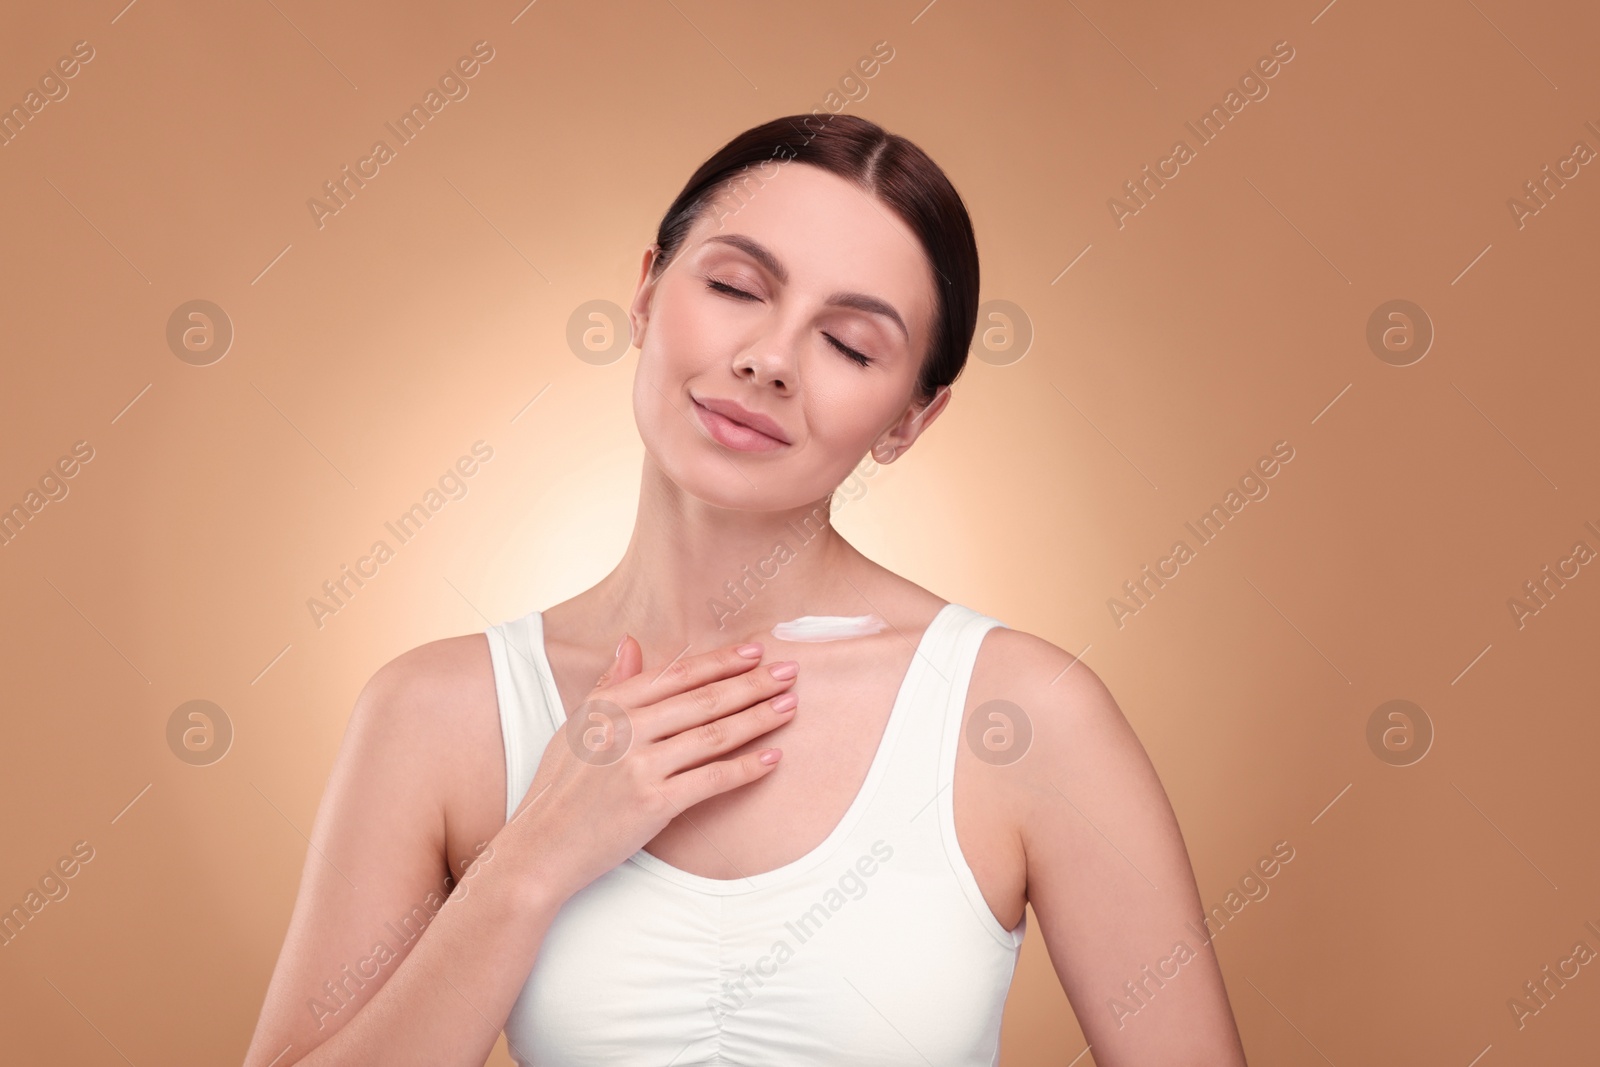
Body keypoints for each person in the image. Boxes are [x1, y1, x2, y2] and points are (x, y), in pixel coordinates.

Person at [243, 114, 1249, 1066]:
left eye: (850, 345)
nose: (769, 358)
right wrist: (531, 859)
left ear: (908, 420)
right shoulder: (435, 715)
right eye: (734, 286)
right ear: (643, 293)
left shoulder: (1022, 715)